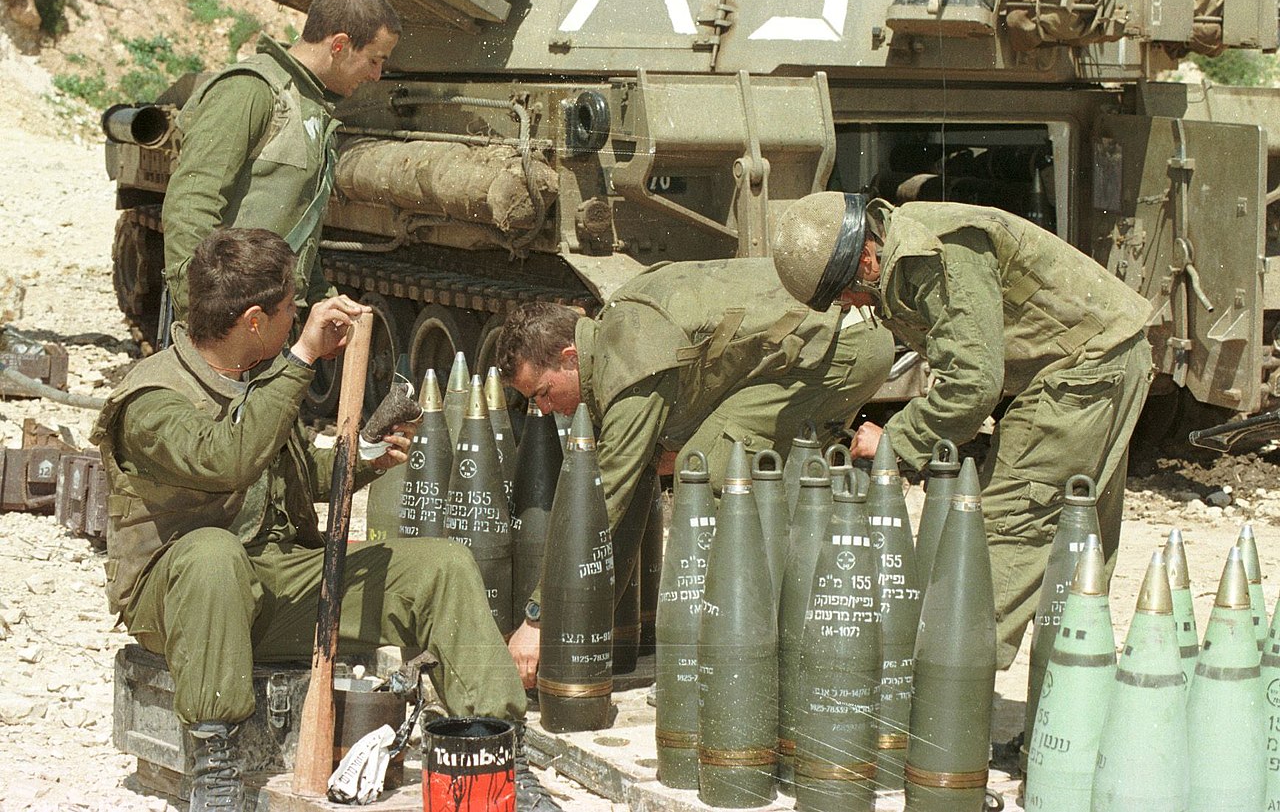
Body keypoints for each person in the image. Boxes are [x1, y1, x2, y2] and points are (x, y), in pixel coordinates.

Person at [91, 229, 560, 812]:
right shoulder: (151, 398)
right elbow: (227, 459)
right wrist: (302, 357)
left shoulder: (255, 378)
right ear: (255, 320)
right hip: (185, 601)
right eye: (291, 309)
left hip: (275, 584)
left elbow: (283, 476)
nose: (298, 318)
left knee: (442, 568)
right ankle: (215, 768)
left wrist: (364, 456)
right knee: (212, 553)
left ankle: (498, 758)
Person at [771, 192, 1154, 668]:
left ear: (865, 258)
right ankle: (1067, 705)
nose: (847, 305)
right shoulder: (906, 253)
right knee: (1076, 541)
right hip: (1107, 358)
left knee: (999, 533)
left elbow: (973, 384)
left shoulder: (937, 254)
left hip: (1084, 371)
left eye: (842, 293)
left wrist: (897, 439)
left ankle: (948, 697)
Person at [495, 258, 895, 686]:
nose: (543, 409)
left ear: (570, 359)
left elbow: (605, 498)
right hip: (836, 337)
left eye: (543, 392)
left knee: (705, 477)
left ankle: (721, 667)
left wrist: (539, 617)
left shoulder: (628, 364)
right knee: (707, 459)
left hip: (841, 350)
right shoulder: (617, 326)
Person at [160, 0, 401, 324]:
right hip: (230, 326)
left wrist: (321, 301)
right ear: (339, 45)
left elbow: (298, 230)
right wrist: (205, 318)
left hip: (265, 323)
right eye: (374, 60)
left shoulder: (311, 106)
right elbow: (190, 207)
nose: (377, 75)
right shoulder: (251, 90)